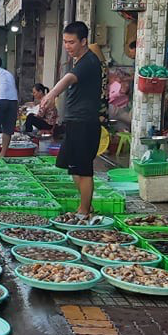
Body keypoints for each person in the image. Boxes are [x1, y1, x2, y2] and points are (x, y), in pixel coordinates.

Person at [39, 21, 106, 216]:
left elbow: (68, 79)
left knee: (83, 169)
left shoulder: (88, 62)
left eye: (72, 42)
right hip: (76, 122)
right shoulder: (83, 60)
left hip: (84, 122)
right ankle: (86, 205)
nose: (67, 46)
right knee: (74, 167)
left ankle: (84, 211)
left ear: (84, 41)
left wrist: (51, 94)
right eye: (65, 42)